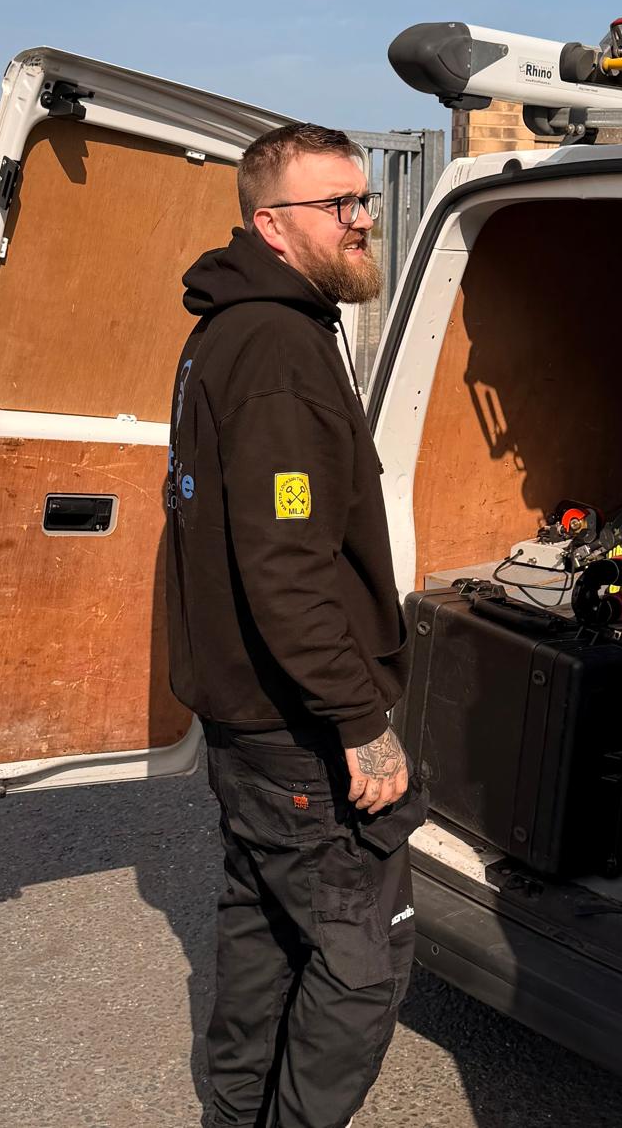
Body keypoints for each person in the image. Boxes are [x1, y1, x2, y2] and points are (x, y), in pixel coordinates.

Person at [165, 123, 423, 1128]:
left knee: (265, 919)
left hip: (248, 718)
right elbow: (286, 565)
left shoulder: (245, 323)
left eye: (363, 200)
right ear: (271, 225)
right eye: (338, 205)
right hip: (295, 725)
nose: (363, 220)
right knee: (363, 963)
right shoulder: (275, 346)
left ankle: (236, 1112)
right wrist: (360, 717)